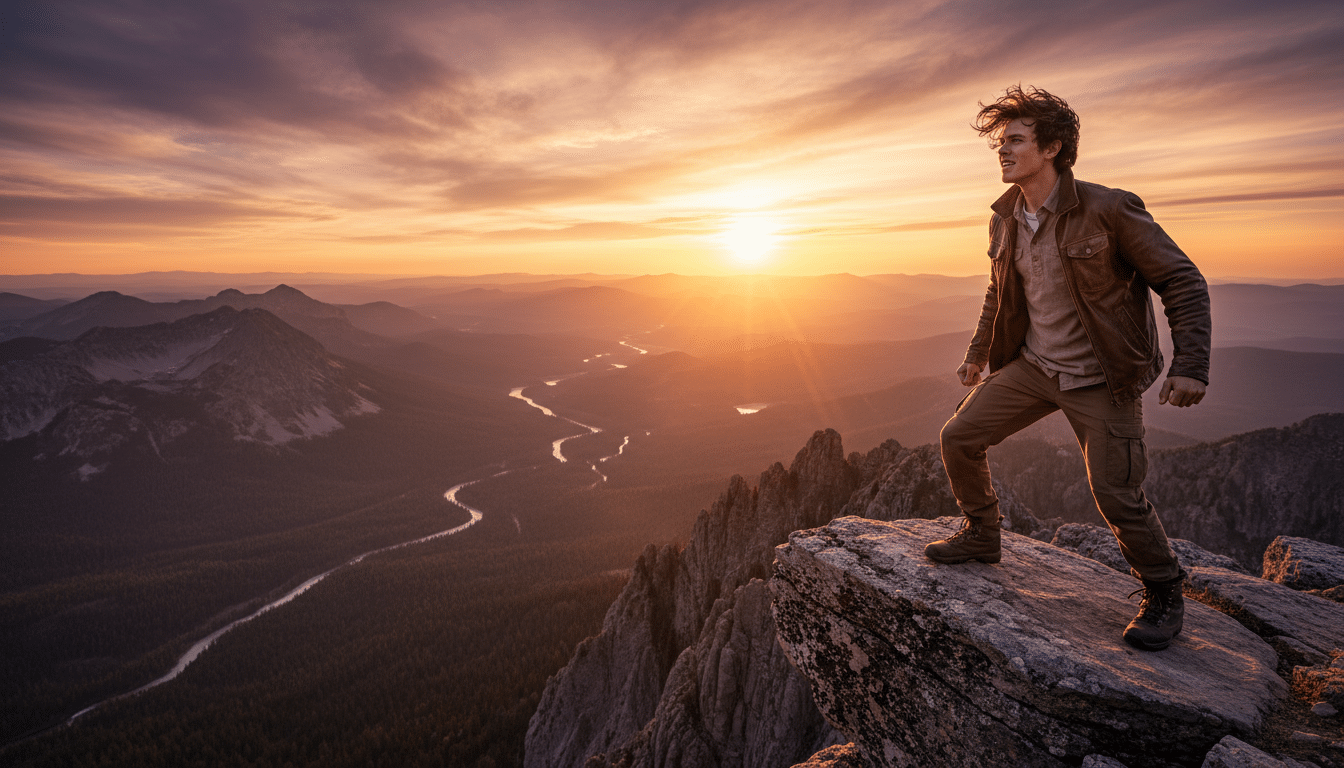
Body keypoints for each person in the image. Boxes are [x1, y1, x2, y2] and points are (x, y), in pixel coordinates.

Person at [924, 85, 1211, 651]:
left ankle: (1163, 589)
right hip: (1034, 366)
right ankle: (983, 534)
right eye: (999, 143)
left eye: (1015, 141)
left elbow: (1182, 280)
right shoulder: (1005, 217)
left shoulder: (1109, 209)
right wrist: (979, 352)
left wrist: (1191, 364)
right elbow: (999, 290)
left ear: (1052, 147)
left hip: (1103, 377)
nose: (1002, 152)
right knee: (958, 437)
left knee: (1115, 493)